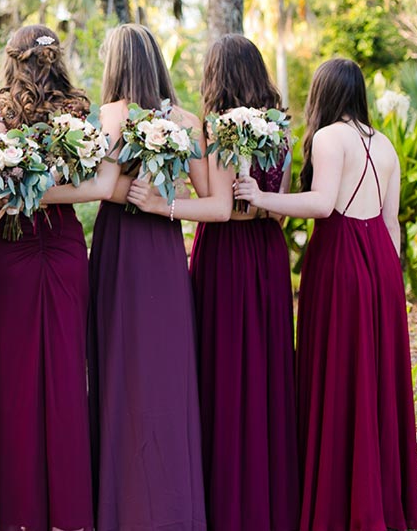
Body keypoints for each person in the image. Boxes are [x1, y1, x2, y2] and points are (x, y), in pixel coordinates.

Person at [235, 58, 417, 531]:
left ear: (323, 94)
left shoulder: (328, 137)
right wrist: (387, 280)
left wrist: (261, 199)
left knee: (339, 375)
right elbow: (390, 222)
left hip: (340, 260)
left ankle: (341, 501)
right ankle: (376, 495)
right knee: (373, 380)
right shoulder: (384, 145)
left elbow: (321, 205)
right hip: (382, 264)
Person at [127, 34, 298, 531]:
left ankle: (228, 501)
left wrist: (167, 205)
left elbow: (224, 211)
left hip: (226, 259)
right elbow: (273, 209)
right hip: (268, 258)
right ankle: (271, 498)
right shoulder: (278, 130)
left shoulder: (223, 128)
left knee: (224, 370)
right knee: (265, 373)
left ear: (216, 76)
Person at [0, 24, 119, 531]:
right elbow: (98, 187)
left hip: (8, 247)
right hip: (59, 245)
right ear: (56, 59)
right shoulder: (78, 113)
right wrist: (46, 195)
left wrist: (25, 196)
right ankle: (66, 510)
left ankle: (14, 510)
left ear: (11, 61)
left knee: (9, 375)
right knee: (64, 372)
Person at [88, 24, 206, 530]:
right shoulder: (185, 119)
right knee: (166, 375)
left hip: (121, 248)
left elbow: (103, 188)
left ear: (115, 63)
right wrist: (167, 203)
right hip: (164, 247)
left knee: (119, 372)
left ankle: (123, 507)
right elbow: (212, 202)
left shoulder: (110, 114)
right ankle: (173, 506)